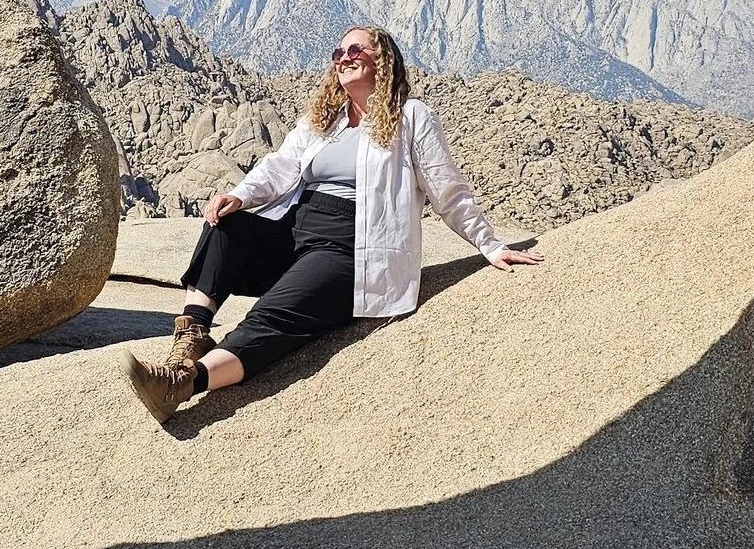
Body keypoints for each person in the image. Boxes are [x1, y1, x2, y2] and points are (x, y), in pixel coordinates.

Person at [124, 24, 544, 422]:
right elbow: (280, 166)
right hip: (296, 230)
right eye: (339, 52)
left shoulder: (412, 117)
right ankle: (190, 340)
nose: (345, 58)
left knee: (273, 316)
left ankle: (182, 384)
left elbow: (445, 188)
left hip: (351, 247)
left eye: (356, 50)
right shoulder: (327, 120)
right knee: (225, 227)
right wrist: (241, 195)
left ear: (385, 61)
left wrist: (489, 245)